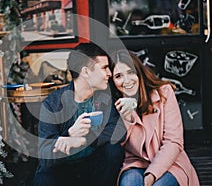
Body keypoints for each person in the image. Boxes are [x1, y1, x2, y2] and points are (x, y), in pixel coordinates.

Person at [33, 42, 126, 186]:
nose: (109, 73)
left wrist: (85, 139)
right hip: (61, 171)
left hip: (91, 168)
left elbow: (119, 130)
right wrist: (69, 135)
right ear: (86, 72)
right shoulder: (52, 103)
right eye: (104, 68)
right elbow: (45, 157)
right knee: (44, 178)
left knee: (114, 151)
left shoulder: (105, 98)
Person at [110, 50, 200, 186]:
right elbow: (116, 144)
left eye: (130, 72)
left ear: (139, 72)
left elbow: (174, 141)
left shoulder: (164, 93)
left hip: (170, 162)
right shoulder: (114, 103)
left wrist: (152, 174)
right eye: (118, 76)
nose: (126, 81)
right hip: (136, 162)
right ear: (113, 81)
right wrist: (127, 119)